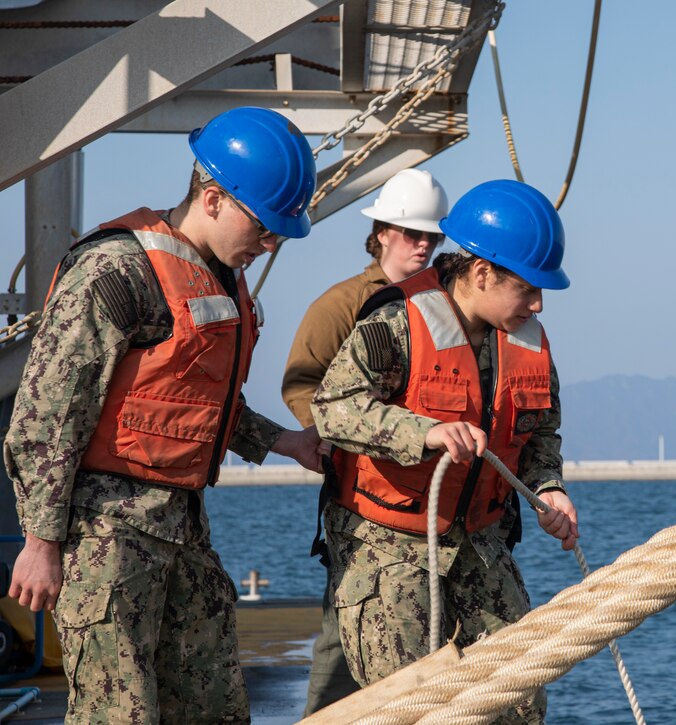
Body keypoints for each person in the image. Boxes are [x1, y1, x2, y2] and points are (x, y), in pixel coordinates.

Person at [4, 106, 325, 723]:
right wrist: (40, 541)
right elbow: (46, 415)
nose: (271, 242)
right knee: (118, 715)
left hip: (183, 530)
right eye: (264, 226)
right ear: (212, 199)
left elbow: (191, 406)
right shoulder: (118, 271)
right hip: (105, 539)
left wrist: (286, 442)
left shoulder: (224, 280)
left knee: (215, 709)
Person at [311, 179, 578, 723]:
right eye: (528, 288)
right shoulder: (395, 324)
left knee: (520, 699)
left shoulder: (529, 343)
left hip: (480, 544)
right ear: (482, 274)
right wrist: (421, 432)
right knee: (410, 707)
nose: (539, 303)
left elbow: (540, 435)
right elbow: (332, 408)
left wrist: (549, 488)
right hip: (388, 548)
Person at [280, 167, 448, 715]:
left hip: (434, 498)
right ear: (381, 233)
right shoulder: (343, 304)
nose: (424, 245)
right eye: (412, 233)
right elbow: (304, 382)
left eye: (433, 236)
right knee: (345, 622)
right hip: (362, 497)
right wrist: (329, 438)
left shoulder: (447, 304)